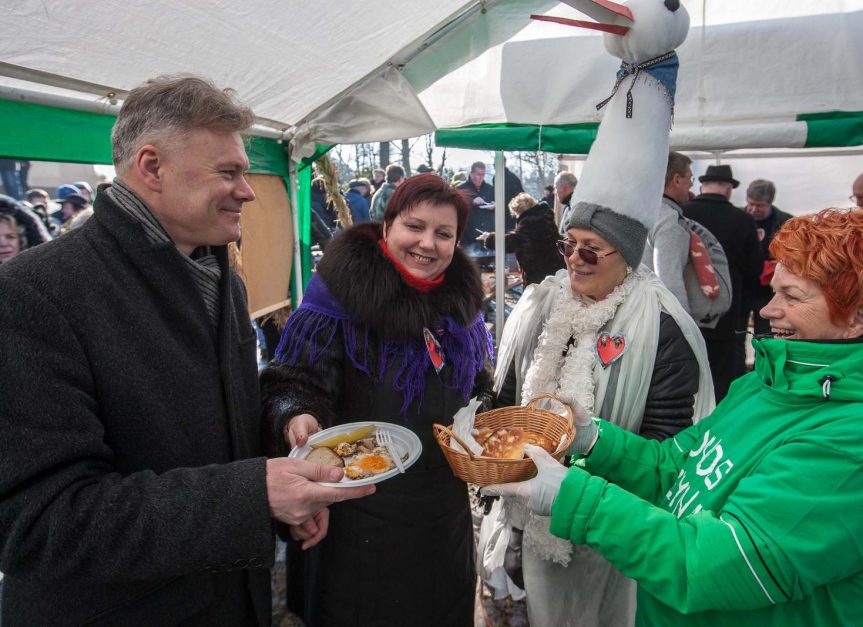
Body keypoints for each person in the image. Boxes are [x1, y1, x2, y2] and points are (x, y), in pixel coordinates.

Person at [0, 74, 373, 625]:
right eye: (229, 172)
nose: (247, 190)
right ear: (152, 167)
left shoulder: (217, 272)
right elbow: (38, 520)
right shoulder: (35, 294)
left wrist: (284, 426)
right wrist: (254, 498)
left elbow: (218, 414)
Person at [486, 208, 863, 627]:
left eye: (792, 296)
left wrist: (573, 496)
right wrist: (592, 439)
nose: (767, 309)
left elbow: (714, 564)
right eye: (775, 289)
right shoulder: (767, 385)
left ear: (859, 317)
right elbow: (676, 467)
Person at [261, 173, 494, 625]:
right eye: (415, 226)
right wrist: (297, 415)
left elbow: (477, 384)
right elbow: (290, 381)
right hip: (357, 508)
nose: (428, 243)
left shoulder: (460, 306)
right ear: (388, 226)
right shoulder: (337, 299)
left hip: (440, 511)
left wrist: (484, 416)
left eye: (443, 234)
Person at [482, 194, 714, 627]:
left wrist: (582, 471)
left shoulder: (661, 326)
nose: (575, 260)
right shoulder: (542, 304)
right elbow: (510, 394)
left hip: (608, 530)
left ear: (625, 253)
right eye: (567, 245)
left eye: (590, 249)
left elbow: (666, 443)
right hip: (525, 515)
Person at [683, 164, 762, 401]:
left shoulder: (683, 214)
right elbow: (755, 269)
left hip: (686, 308)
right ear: (728, 189)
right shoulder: (743, 219)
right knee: (723, 376)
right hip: (729, 314)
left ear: (702, 186)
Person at [643, 151, 693, 312]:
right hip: (657, 314)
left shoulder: (641, 211)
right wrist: (684, 327)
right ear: (677, 180)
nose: (691, 185)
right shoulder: (668, 219)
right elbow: (669, 280)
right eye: (690, 178)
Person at [477, 192, 563, 286]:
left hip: (541, 276)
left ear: (519, 211)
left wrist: (489, 238)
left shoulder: (530, 222)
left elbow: (512, 242)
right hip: (555, 270)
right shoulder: (544, 217)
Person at [742, 179, 793, 338]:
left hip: (769, 290)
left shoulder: (786, 222)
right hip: (743, 286)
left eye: (760, 206)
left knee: (766, 334)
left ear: (770, 202)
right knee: (738, 334)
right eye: (751, 204)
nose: (754, 209)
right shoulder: (737, 219)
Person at [457, 160, 497, 249]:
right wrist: (471, 201)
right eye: (478, 174)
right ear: (471, 174)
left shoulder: (490, 189)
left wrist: (494, 206)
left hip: (488, 235)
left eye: (483, 174)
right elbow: (456, 207)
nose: (481, 177)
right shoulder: (461, 189)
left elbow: (500, 208)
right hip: (468, 235)